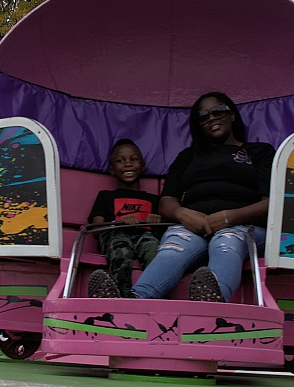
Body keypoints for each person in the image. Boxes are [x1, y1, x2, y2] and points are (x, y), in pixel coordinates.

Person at [90, 92, 273, 302]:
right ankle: (132, 301)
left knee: (226, 241)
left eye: (217, 111)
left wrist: (228, 218)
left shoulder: (259, 152)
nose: (211, 118)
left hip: (243, 227)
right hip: (192, 226)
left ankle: (213, 303)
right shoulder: (188, 157)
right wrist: (184, 215)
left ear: (231, 114)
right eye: (203, 116)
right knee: (174, 247)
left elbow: (270, 204)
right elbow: (167, 202)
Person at [85, 139, 162, 298]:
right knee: (122, 247)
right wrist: (119, 224)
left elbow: (163, 231)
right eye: (121, 161)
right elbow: (97, 230)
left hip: (144, 236)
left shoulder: (154, 200)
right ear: (112, 170)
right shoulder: (106, 196)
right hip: (116, 235)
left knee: (153, 248)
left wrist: (157, 223)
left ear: (142, 167)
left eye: (133, 160)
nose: (128, 164)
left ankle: (154, 295)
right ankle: (121, 294)